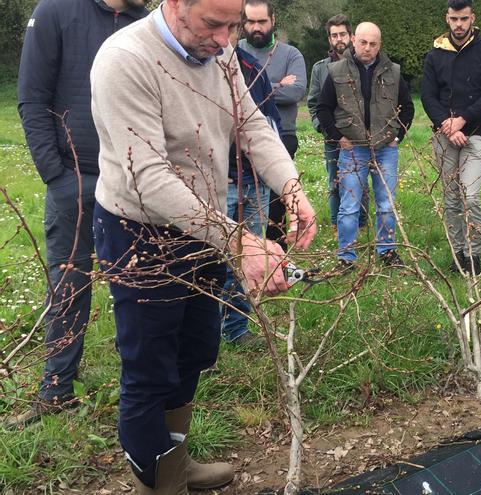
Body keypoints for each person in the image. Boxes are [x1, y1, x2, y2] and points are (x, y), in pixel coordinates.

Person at [89, 0, 317, 491]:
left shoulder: (221, 50)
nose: (225, 40)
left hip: (204, 227)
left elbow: (251, 124)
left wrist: (291, 187)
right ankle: (159, 483)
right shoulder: (124, 60)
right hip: (140, 232)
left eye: (233, 25)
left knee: (195, 349)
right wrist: (239, 240)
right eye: (214, 24)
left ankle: (174, 460)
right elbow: (149, 176)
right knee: (150, 367)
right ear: (174, 4)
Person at [14, 0, 148, 426]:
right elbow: (32, 97)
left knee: (141, 286)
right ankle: (56, 389)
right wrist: (56, 175)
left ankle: (145, 388)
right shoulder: (55, 11)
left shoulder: (145, 22)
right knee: (69, 286)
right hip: (76, 179)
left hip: (134, 183)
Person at [316, 22, 415, 270]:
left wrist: (397, 137)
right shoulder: (335, 70)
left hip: (385, 149)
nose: (367, 48)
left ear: (379, 45)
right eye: (363, 42)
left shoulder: (393, 72)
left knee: (386, 203)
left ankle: (387, 253)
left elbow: (408, 107)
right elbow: (323, 109)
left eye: (373, 44)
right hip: (352, 149)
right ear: (353, 40)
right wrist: (339, 137)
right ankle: (346, 258)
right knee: (349, 206)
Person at [421, 0, 481, 275]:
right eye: (454, 19)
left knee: (471, 195)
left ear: (472, 19)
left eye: (464, 19)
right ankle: (458, 254)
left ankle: (473, 254)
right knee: (451, 197)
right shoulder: (435, 54)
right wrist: (448, 126)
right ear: (447, 18)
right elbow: (428, 96)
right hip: (444, 135)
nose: (459, 25)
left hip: (475, 134)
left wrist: (462, 121)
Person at [220, 39, 285, 346]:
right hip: (218, 186)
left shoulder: (251, 69)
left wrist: (286, 183)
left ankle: (236, 328)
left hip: (254, 184)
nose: (224, 38)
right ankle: (202, 333)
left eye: (233, 27)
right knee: (207, 260)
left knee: (248, 260)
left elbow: (267, 127)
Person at [240, 0, 307, 250]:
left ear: (273, 21)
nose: (256, 27)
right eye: (250, 21)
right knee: (246, 197)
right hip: (241, 138)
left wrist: (253, 87)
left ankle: (277, 253)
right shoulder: (233, 51)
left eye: (262, 21)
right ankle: (248, 250)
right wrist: (277, 83)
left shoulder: (290, 54)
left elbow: (296, 92)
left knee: (278, 200)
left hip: (282, 135)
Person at [307, 14, 370, 231]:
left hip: (360, 135)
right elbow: (314, 103)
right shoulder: (320, 68)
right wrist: (323, 128)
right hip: (332, 136)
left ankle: (361, 224)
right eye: (334, 35)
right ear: (329, 39)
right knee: (335, 183)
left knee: (361, 182)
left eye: (342, 34)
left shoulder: (363, 64)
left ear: (351, 37)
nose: (339, 39)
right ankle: (337, 225)